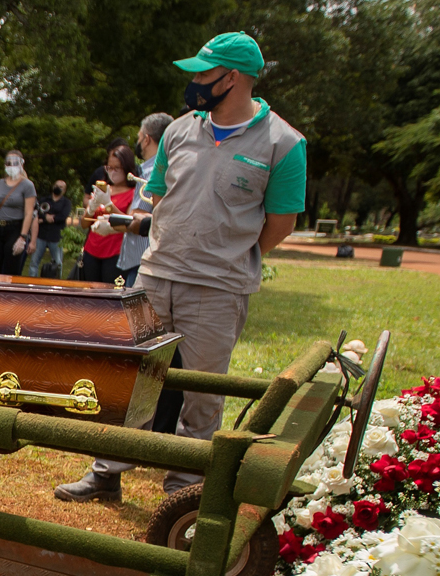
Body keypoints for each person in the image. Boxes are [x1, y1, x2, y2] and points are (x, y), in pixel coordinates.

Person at [57, 31, 306, 504]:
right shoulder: (178, 130)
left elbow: (281, 223)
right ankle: (107, 473)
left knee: (203, 394)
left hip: (217, 290)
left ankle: (183, 489)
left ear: (232, 78)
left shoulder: (284, 143)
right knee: (133, 377)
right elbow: (161, 201)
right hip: (152, 275)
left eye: (202, 73)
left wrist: (229, 257)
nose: (194, 81)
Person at [114, 112, 174, 286]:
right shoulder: (174, 167)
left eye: (139, 137)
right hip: (162, 261)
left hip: (142, 261)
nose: (138, 142)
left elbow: (137, 217)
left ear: (147, 139)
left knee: (134, 312)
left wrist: (111, 218)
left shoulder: (151, 172)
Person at [78, 144, 139, 284]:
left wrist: (109, 205)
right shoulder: (104, 189)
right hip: (92, 250)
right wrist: (92, 206)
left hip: (115, 253)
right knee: (90, 295)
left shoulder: (133, 193)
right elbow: (84, 223)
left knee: (110, 296)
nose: (112, 172)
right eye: (109, 168)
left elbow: (129, 221)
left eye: (116, 168)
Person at [0, 149, 37, 277]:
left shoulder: (27, 185)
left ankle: (9, 296)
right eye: (8, 163)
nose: (12, 166)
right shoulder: (0, 183)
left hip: (15, 227)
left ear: (21, 164)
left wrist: (23, 237)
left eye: (15, 163)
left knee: (11, 268)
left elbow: (29, 213)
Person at [28, 180, 70, 278]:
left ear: (64, 190)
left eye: (61, 187)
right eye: (56, 185)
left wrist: (45, 219)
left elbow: (63, 216)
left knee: (58, 263)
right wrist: (47, 218)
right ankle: (31, 284)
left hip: (56, 237)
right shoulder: (44, 200)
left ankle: (56, 285)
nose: (57, 188)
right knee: (34, 262)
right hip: (41, 235)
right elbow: (37, 213)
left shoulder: (66, 203)